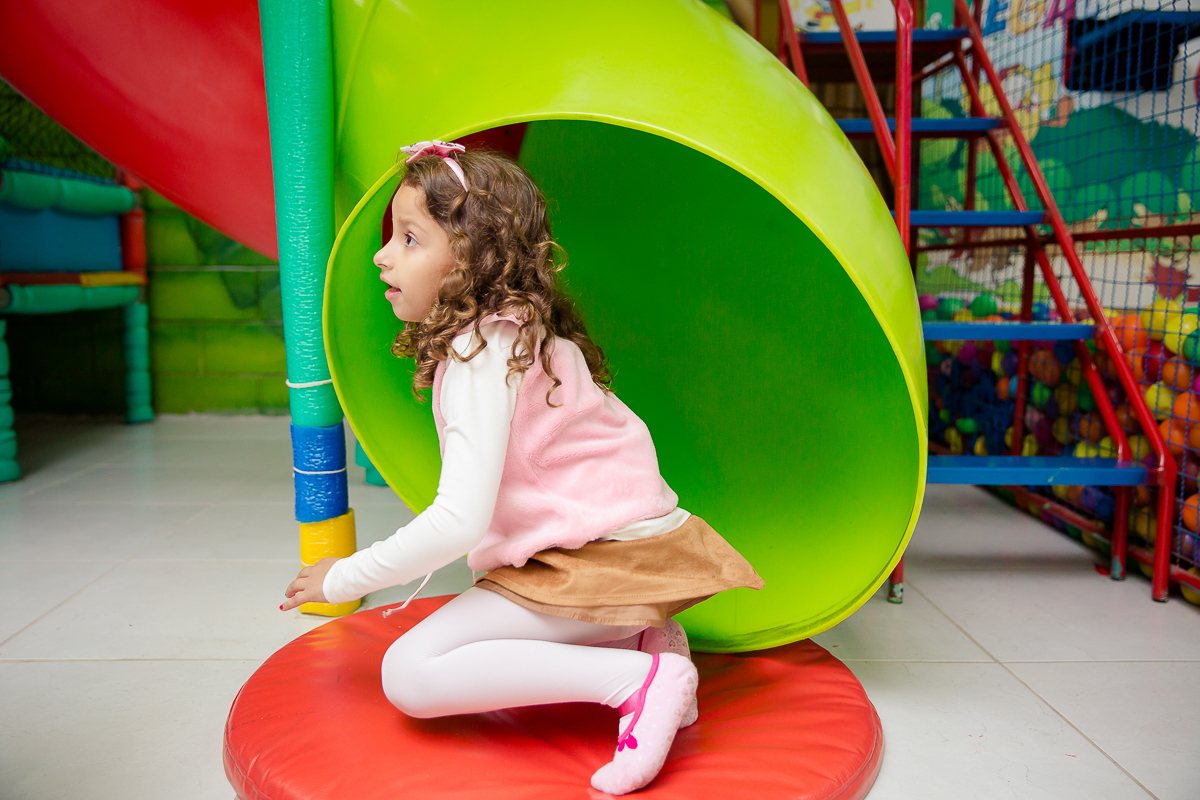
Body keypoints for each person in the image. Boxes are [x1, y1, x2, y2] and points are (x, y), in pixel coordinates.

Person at [282, 140, 763, 795]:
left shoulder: (483, 351)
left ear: (469, 258)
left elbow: (457, 522)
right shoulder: (512, 331)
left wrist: (344, 576)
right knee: (451, 644)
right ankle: (645, 645)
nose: (383, 255)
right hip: (629, 560)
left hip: (599, 570)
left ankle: (639, 681)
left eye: (410, 239)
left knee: (409, 673)